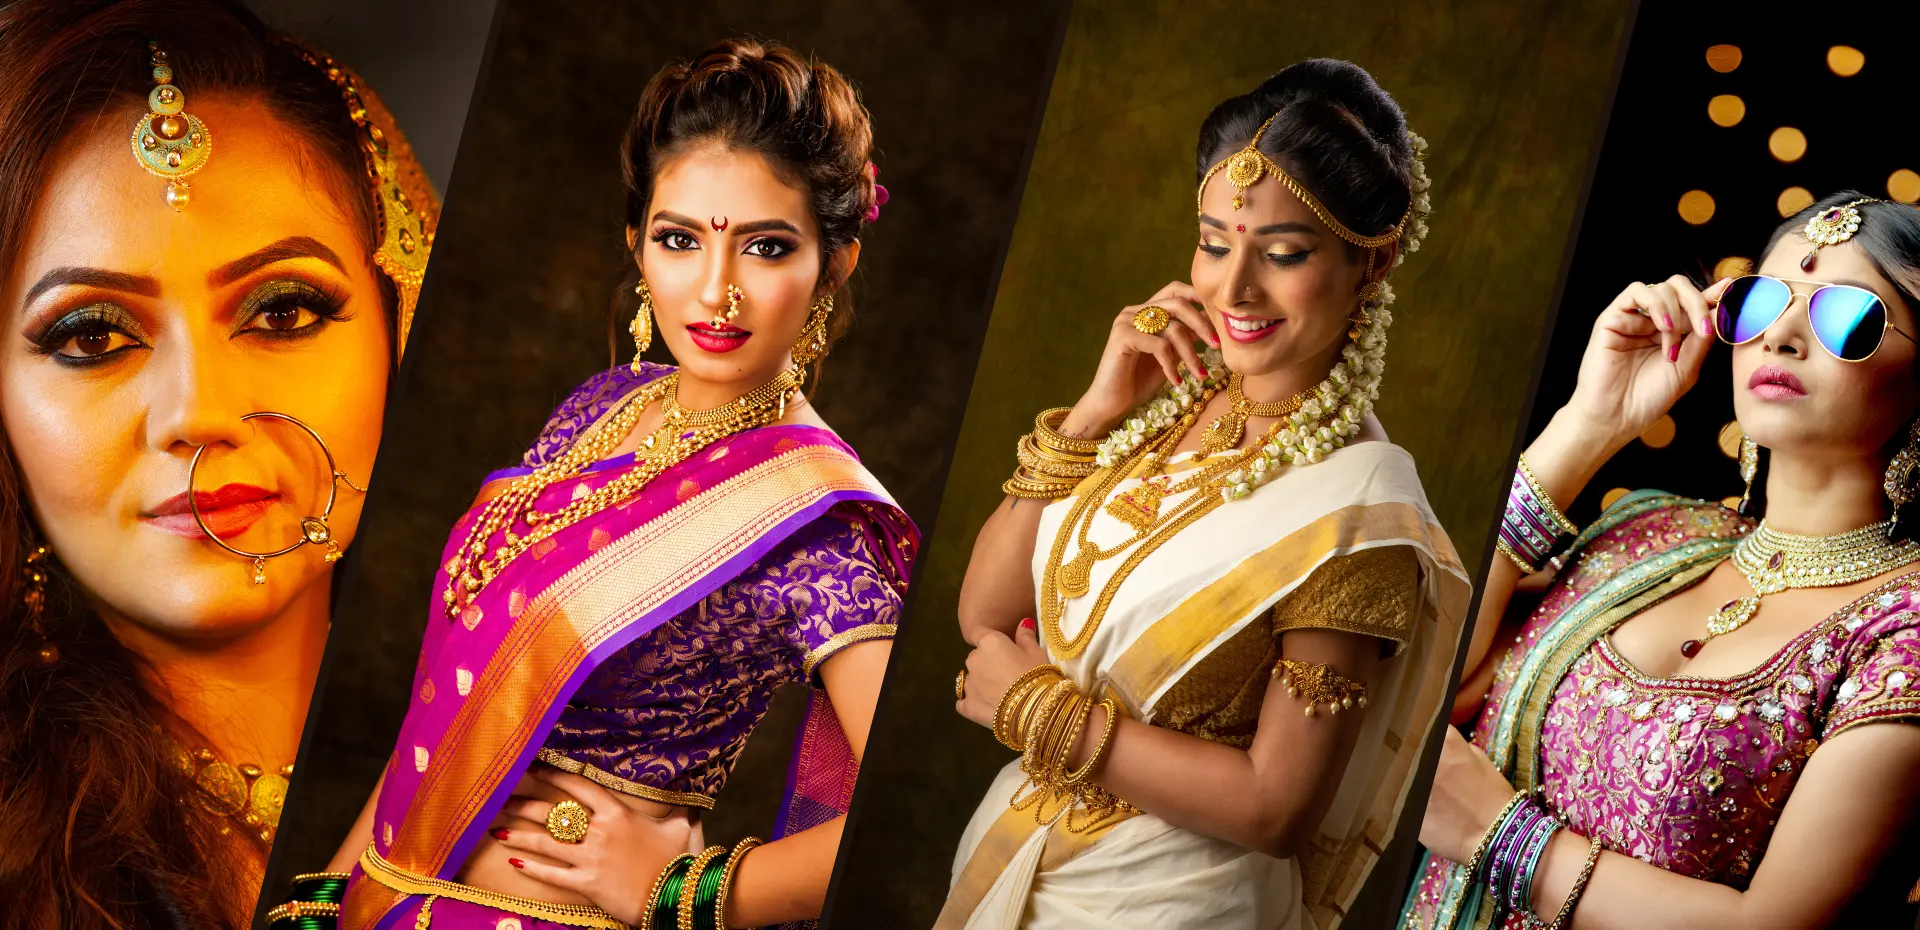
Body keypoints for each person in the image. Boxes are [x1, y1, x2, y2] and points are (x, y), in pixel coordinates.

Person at [311, 39, 916, 930]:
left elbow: (900, 820)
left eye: (766, 247)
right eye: (679, 240)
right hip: (387, 897)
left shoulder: (818, 523)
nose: (717, 292)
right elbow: (450, 702)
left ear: (833, 264)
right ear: (637, 246)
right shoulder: (597, 408)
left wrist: (679, 893)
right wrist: (327, 896)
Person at [940, 59, 1468, 930]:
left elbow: (1276, 809)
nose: (1234, 290)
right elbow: (984, 620)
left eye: (1285, 254)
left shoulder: (1359, 509)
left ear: (1369, 265)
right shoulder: (1166, 400)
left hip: (1173, 903)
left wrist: (1044, 713)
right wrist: (1096, 410)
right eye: (1215, 243)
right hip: (1019, 859)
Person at [0, 1, 438, 927]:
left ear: (402, 329)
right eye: (92, 335)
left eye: (283, 311)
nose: (200, 412)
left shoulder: (545, 725)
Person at [1404, 191, 1920, 928]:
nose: (1782, 337)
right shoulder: (1650, 536)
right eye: (1760, 302)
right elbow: (1404, 690)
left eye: (1847, 318)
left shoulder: (1903, 631)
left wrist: (1501, 834)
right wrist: (1591, 422)